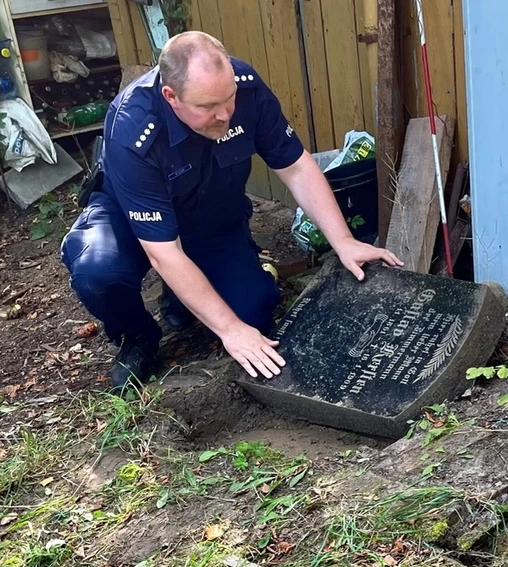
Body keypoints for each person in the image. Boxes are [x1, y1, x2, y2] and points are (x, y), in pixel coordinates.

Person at [60, 31, 400, 388]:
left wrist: (343, 240)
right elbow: (164, 253)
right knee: (98, 271)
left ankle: (182, 300)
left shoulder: (244, 87)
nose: (225, 114)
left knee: (253, 310)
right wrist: (230, 331)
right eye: (207, 107)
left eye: (229, 99)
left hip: (209, 216)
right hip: (129, 219)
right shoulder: (133, 128)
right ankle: (138, 338)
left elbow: (296, 166)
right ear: (171, 97)